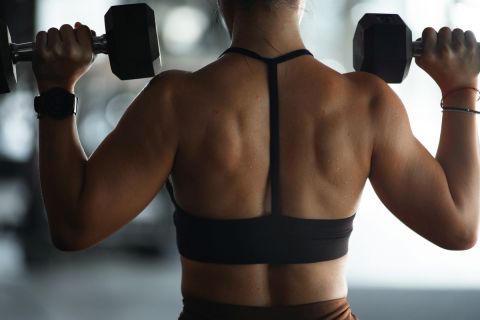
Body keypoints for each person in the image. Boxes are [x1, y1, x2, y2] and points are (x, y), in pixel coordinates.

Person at [32, 0, 479, 319]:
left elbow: (73, 226)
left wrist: (56, 90)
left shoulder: (173, 101)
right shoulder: (367, 104)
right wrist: (460, 89)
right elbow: (459, 225)